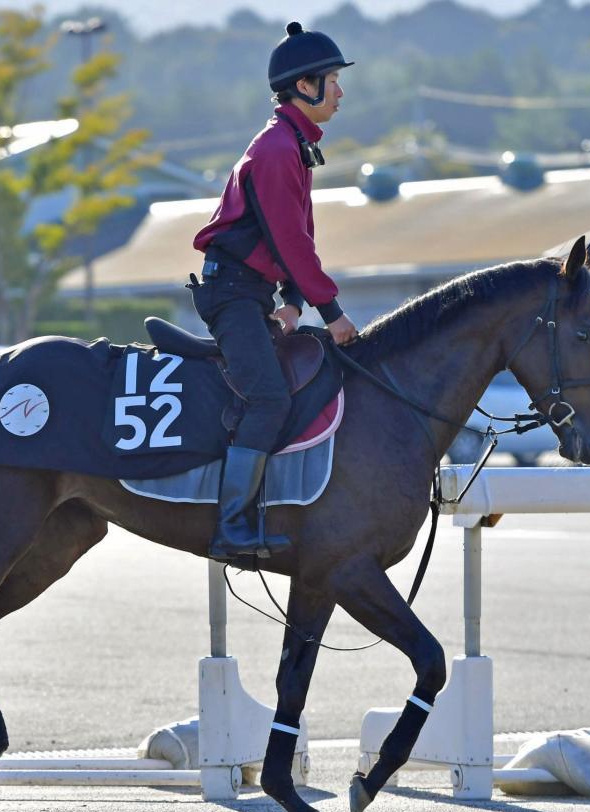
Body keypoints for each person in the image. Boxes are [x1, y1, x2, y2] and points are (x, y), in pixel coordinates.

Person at [192, 21, 358, 562]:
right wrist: (330, 312)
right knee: (267, 398)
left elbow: (291, 236)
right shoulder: (278, 149)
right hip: (233, 295)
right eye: (332, 80)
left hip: (250, 293)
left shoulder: (292, 144)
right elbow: (291, 241)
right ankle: (232, 526)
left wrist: (291, 301)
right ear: (304, 86)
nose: (339, 92)